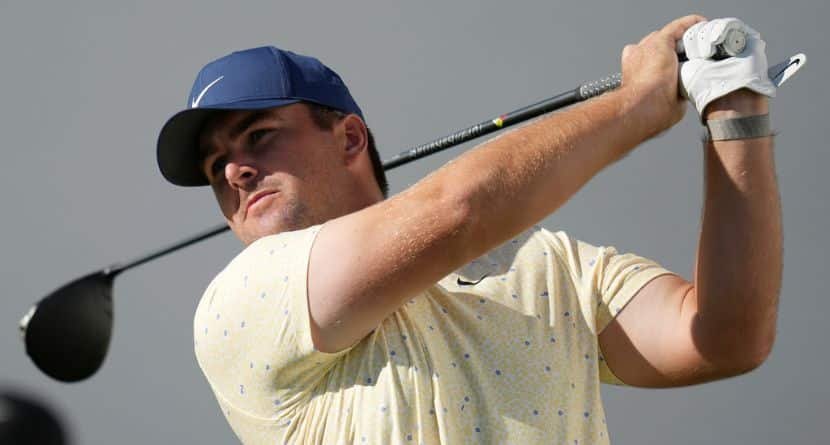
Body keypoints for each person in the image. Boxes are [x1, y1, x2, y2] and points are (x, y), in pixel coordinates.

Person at [156, 14, 782, 444]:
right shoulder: (241, 299)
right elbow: (457, 213)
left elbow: (726, 338)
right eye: (215, 167)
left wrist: (735, 109)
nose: (235, 171)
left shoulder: (550, 266)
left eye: (259, 136)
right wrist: (634, 107)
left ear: (349, 139)